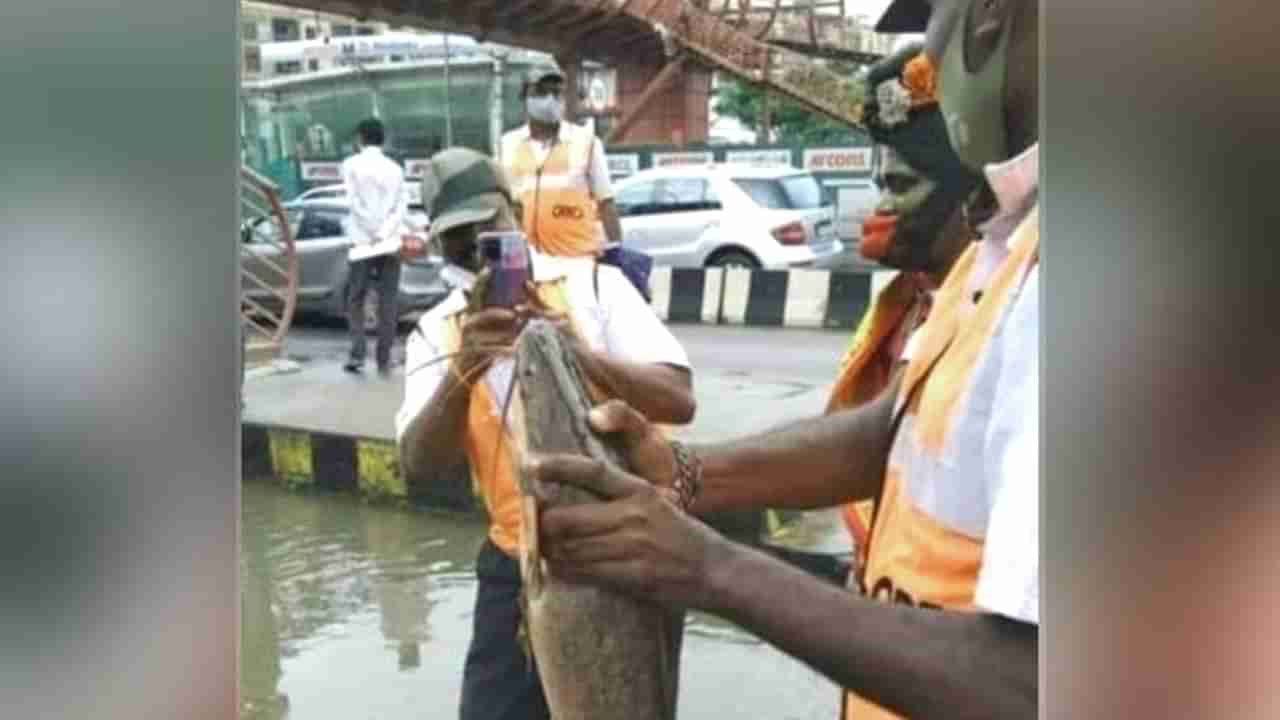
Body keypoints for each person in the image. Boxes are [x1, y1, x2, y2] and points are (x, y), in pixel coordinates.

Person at [527, 0, 1040, 717]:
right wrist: (686, 474)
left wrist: (708, 566)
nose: (937, 45)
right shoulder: (1007, 244)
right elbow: (894, 432)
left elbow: (1034, 683)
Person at [394, 147, 695, 720]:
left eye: (490, 227)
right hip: (518, 564)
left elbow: (679, 398)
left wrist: (577, 356)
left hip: (628, 548)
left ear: (514, 211)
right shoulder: (437, 334)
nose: (478, 248)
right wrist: (466, 368)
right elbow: (418, 464)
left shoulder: (595, 286)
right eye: (461, 240)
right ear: (440, 246)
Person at [828, 43, 984, 587]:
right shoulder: (905, 300)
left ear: (971, 197)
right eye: (882, 187)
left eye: (901, 187)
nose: (883, 210)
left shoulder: (1001, 308)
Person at [499, 60, 624, 258]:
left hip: (577, 262)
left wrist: (617, 253)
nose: (550, 99)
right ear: (524, 97)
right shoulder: (507, 144)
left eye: (556, 93)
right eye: (540, 92)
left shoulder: (587, 142)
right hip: (527, 266)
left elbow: (606, 204)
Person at [341, 117, 408, 376]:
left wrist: (371, 230)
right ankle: (383, 358)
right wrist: (384, 232)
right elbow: (400, 206)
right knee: (387, 300)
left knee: (355, 298)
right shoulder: (395, 168)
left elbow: (353, 202)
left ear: (360, 138)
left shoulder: (350, 165)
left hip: (361, 242)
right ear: (384, 139)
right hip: (389, 242)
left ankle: (357, 354)